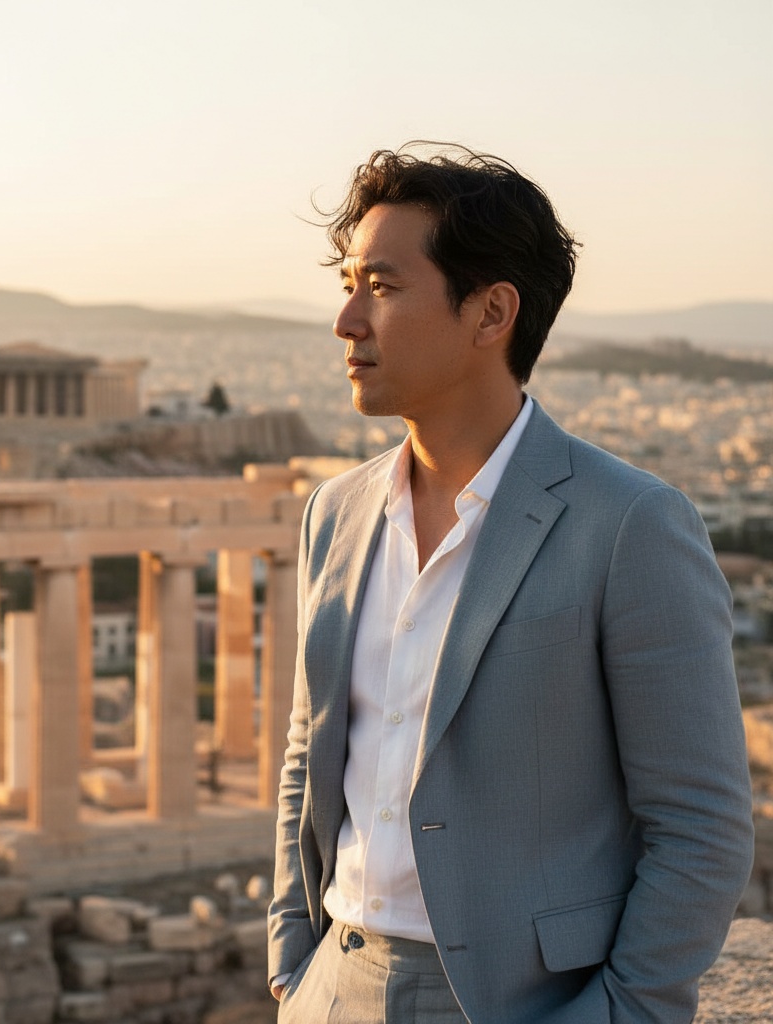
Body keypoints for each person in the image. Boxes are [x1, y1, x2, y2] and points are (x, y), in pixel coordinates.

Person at [267, 144, 754, 1024]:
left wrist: (619, 1013)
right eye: (347, 284)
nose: (346, 319)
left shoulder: (631, 524)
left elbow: (701, 824)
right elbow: (312, 751)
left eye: (381, 286)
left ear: (491, 312)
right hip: (332, 986)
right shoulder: (334, 514)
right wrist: (292, 961)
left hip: (519, 1002)